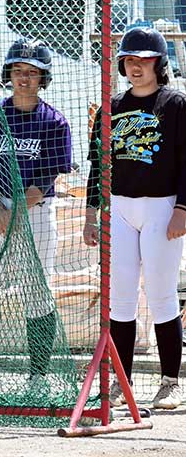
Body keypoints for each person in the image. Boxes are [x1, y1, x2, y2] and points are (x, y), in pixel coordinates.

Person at [0, 39, 72, 392]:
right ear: (8, 74)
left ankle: (38, 378)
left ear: (43, 78)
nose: (24, 78)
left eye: (33, 72)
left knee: (37, 292)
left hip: (35, 211)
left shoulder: (54, 121)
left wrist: (16, 211)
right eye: (18, 70)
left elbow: (49, 176)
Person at [83, 26, 185, 410]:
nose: (136, 66)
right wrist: (90, 213)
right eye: (129, 60)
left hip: (162, 206)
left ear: (159, 63)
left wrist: (183, 209)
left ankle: (170, 382)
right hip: (119, 208)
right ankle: (120, 382)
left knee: (161, 294)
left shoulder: (175, 104)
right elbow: (97, 166)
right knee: (120, 298)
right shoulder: (110, 107)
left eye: (144, 60)